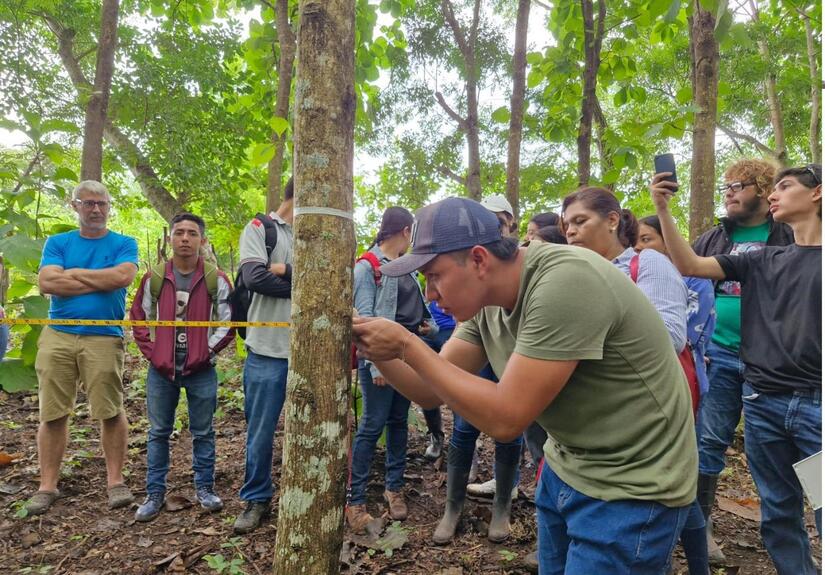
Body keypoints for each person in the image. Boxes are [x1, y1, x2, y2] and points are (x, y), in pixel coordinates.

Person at [353, 197, 696, 573]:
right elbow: (428, 389)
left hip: (635, 482)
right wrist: (372, 344)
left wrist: (406, 345)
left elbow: (506, 419)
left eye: (434, 276)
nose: (430, 294)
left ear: (480, 260)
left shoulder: (564, 279)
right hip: (567, 463)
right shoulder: (484, 303)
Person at [650, 164, 822, 575]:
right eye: (774, 187)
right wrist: (662, 208)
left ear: (817, 194)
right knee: (779, 512)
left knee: (822, 503)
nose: (775, 194)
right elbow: (691, 265)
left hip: (817, 408)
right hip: (764, 403)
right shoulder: (763, 258)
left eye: (786, 186)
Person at [690, 158, 792, 563]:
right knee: (709, 440)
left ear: (765, 190)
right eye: (726, 186)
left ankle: (787, 535)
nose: (730, 192)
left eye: (739, 185)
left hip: (773, 362)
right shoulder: (713, 239)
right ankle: (701, 529)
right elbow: (687, 286)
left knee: (781, 447)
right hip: (718, 355)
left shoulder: (790, 234)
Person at [28, 180, 139, 515]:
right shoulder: (58, 242)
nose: (95, 209)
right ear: (75, 206)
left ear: (109, 206)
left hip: (104, 336)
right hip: (58, 335)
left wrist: (73, 275)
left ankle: (116, 481)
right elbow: (47, 282)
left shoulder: (124, 243)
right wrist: (96, 278)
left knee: (110, 409)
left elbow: (121, 278)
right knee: (52, 412)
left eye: (101, 203)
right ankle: (47, 485)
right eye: (88, 203)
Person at [130, 213, 235, 522]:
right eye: (179, 233)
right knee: (158, 431)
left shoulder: (217, 278)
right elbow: (139, 316)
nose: (185, 238)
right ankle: (154, 493)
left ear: (202, 240)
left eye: (192, 233)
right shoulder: (156, 277)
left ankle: (205, 488)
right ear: (170, 239)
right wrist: (153, 353)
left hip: (201, 369)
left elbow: (229, 323)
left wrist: (206, 351)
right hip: (161, 371)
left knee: (203, 431)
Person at [347, 207, 438, 532]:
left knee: (399, 421)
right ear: (404, 230)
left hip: (408, 356)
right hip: (382, 362)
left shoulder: (407, 269)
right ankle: (354, 500)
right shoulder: (368, 267)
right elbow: (364, 319)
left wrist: (426, 328)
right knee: (372, 426)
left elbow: (414, 310)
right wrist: (374, 365)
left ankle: (393, 486)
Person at [637, 214, 717, 575]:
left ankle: (697, 564)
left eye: (648, 239)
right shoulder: (634, 274)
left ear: (669, 242)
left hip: (682, 385)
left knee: (679, 480)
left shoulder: (694, 280)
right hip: (642, 390)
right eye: (635, 240)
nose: (640, 247)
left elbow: (686, 335)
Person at [449, 195, 524, 545]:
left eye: (500, 220)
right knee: (465, 428)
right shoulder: (472, 262)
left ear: (510, 222)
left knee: (510, 430)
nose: (495, 226)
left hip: (514, 361)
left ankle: (502, 507)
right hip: (481, 355)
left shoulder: (522, 261)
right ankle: (453, 507)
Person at [233, 178, 294, 534]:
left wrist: (286, 271)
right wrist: (305, 281)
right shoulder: (261, 228)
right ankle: (256, 497)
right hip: (267, 349)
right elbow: (254, 277)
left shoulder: (317, 235)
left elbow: (337, 278)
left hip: (311, 350)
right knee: (260, 431)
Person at [561, 187, 687, 353]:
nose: (570, 231)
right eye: (566, 225)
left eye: (580, 221)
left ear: (612, 220)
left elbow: (669, 338)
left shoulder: (648, 262)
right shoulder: (571, 274)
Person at [421, 300, 454, 461]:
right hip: (428, 329)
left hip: (450, 328)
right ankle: (436, 435)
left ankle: (465, 443)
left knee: (456, 387)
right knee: (426, 385)